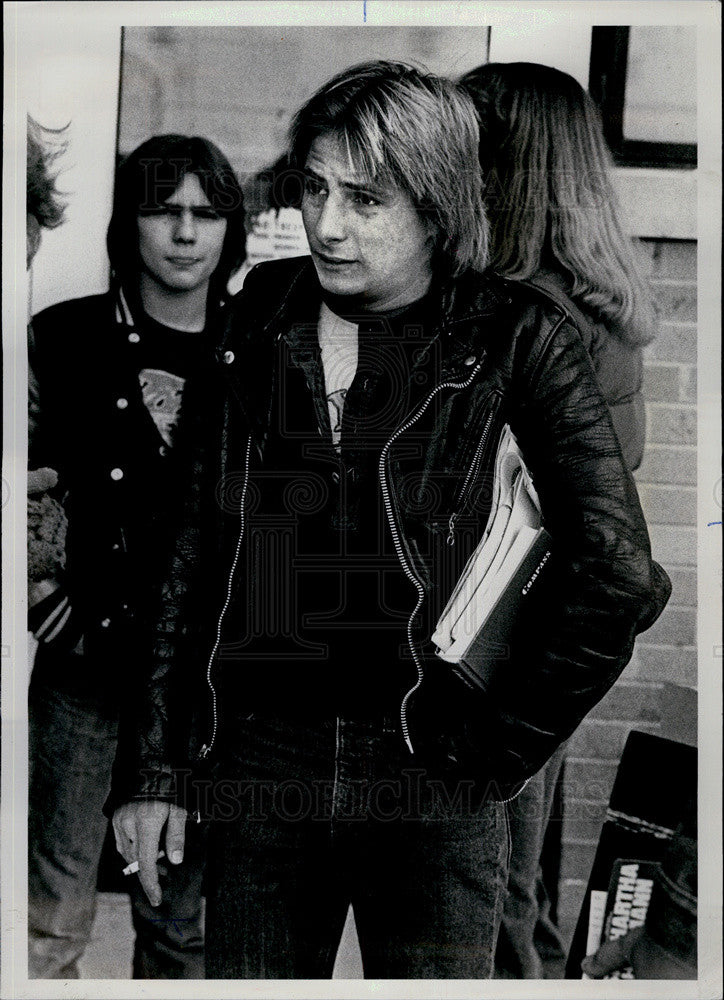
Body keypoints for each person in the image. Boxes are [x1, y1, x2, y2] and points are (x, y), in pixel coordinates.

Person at [112, 61, 671, 980]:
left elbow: (615, 570)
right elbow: (192, 545)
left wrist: (495, 753)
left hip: (427, 764)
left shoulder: (515, 335)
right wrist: (157, 768)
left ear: (438, 206)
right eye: (316, 189)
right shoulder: (260, 311)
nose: (327, 224)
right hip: (262, 760)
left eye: (366, 199)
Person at [27, 134, 246, 979]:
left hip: (198, 689)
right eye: (165, 210)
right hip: (83, 674)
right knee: (50, 923)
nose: (186, 233)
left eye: (206, 212)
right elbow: (24, 495)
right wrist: (53, 606)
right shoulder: (63, 339)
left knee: (181, 926)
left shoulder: (256, 352)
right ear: (132, 222)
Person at [458, 61, 657, 979]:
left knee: (489, 891)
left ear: (507, 161)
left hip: (503, 646)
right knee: (522, 886)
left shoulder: (533, 316)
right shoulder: (599, 299)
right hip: (547, 644)